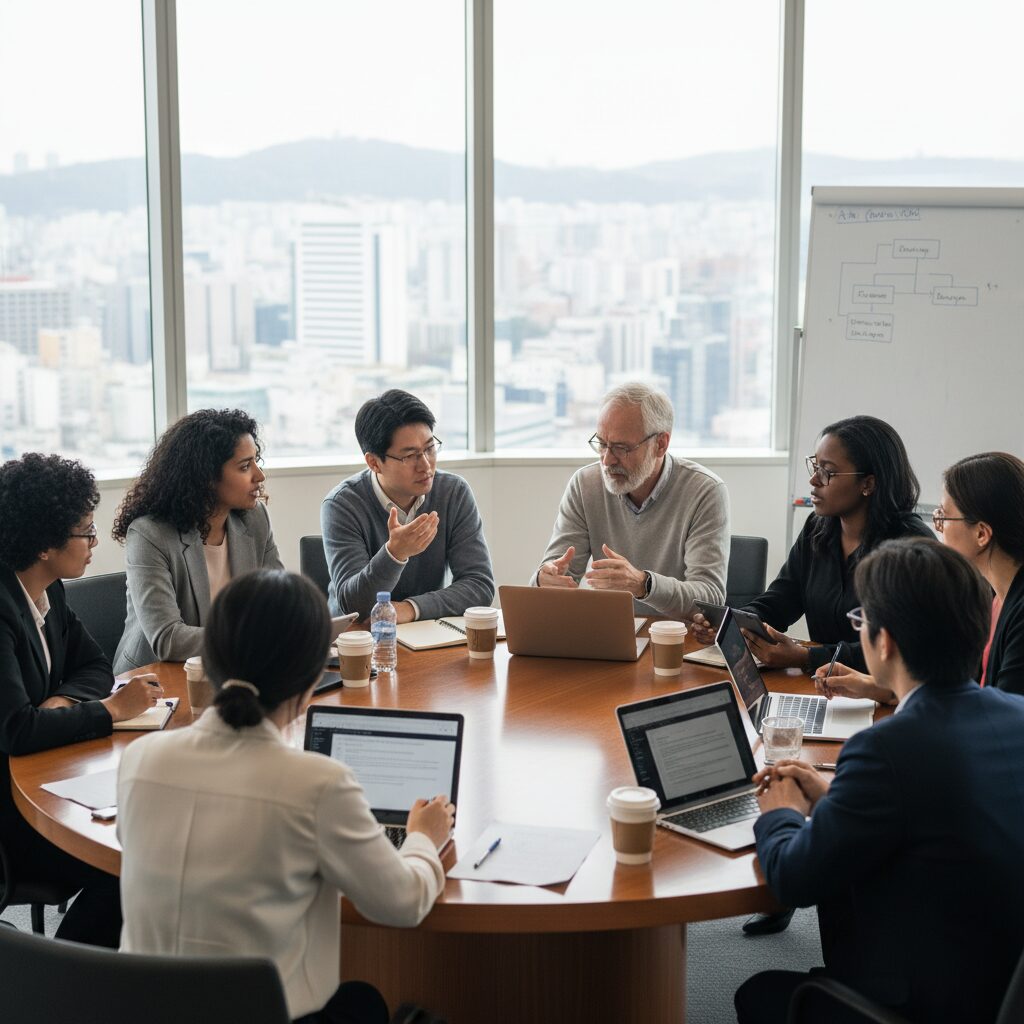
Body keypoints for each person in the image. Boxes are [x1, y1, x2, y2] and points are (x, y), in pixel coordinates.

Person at [118, 569, 453, 1024]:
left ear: (210, 658)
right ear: (314, 677)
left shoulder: (141, 761)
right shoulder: (317, 784)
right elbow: (402, 903)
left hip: (141, 1008)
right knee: (369, 1004)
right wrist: (422, 838)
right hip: (267, 1012)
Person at [735, 537, 1024, 1024]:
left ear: (883, 641)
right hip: (1000, 986)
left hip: (926, 1002)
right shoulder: (1016, 714)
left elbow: (793, 881)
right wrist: (835, 798)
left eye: (861, 620)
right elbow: (944, 810)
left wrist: (781, 809)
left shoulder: (886, 748)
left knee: (758, 995)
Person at [0, 453, 166, 948]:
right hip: (12, 814)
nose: (95, 544)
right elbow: (16, 731)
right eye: (86, 533)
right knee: (132, 860)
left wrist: (64, 701)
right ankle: (67, 983)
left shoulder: (49, 593)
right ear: (47, 543)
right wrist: (109, 711)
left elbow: (96, 666)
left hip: (47, 775)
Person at [691, 415, 930, 676]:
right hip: (823, 686)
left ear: (868, 484)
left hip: (883, 692)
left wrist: (806, 657)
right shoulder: (818, 528)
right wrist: (734, 623)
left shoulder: (912, 548)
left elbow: (895, 648)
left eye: (827, 472)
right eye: (815, 467)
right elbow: (781, 600)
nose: (814, 480)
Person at [816, 451, 1024, 704]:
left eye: (943, 517)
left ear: (982, 534)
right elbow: (964, 694)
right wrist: (875, 686)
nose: (937, 529)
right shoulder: (995, 596)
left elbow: (1004, 720)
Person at [531, 382, 729, 618]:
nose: (606, 460)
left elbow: (710, 597)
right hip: (606, 634)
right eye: (602, 444)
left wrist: (643, 584)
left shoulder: (704, 491)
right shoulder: (585, 485)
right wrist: (544, 580)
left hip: (673, 639)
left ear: (661, 444)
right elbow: (556, 575)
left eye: (621, 448)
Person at [112, 408, 283, 672]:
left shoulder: (255, 518)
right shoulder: (149, 534)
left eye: (256, 461)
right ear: (206, 478)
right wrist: (250, 640)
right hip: (155, 681)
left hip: (234, 667)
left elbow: (277, 601)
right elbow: (168, 639)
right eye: (245, 466)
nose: (259, 476)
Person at [321, 389, 494, 622]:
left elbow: (479, 585)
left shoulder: (452, 493)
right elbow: (355, 606)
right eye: (409, 455)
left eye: (430, 448)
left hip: (427, 635)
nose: (425, 465)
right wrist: (395, 553)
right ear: (374, 462)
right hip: (359, 640)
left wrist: (411, 609)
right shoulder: (342, 505)